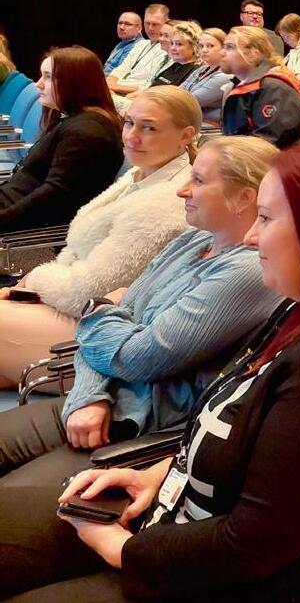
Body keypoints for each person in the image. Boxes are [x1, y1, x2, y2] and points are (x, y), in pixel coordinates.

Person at [0, 142, 300, 602]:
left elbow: (256, 545)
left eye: (266, 219)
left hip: (213, 575)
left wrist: (123, 550)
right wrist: (156, 476)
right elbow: (234, 431)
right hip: (171, 514)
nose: (251, 238)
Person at [0, 136, 282, 481]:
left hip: (142, 430)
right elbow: (112, 327)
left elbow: (136, 356)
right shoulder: (193, 239)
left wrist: (99, 309)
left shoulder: (247, 271)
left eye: (198, 180)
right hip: (101, 399)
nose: (182, 190)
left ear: (243, 198)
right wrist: (88, 395)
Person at [0, 87, 199, 386]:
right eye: (129, 123)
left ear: (186, 136)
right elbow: (77, 249)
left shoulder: (166, 201)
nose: (131, 136)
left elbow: (86, 292)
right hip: (67, 304)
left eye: (149, 128)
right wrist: (30, 289)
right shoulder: (139, 174)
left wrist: (36, 279)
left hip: (96, 333)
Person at [0, 47, 123, 232]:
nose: (38, 84)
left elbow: (53, 198)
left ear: (75, 82)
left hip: (19, 224)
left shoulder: (87, 133)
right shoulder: (75, 119)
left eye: (48, 77)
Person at [220, 26, 300, 148]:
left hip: (278, 158)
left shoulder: (274, 89)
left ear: (253, 54)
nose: (222, 52)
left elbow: (266, 145)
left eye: (230, 47)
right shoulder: (241, 84)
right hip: (244, 153)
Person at [106, 5, 170, 96]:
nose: (150, 28)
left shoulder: (169, 50)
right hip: (117, 89)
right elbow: (121, 69)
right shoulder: (140, 44)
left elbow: (150, 85)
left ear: (166, 23)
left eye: (155, 24)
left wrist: (114, 87)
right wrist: (109, 84)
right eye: (147, 23)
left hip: (137, 95)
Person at [179, 28, 233, 124]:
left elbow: (190, 102)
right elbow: (177, 91)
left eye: (210, 46)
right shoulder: (202, 69)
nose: (204, 50)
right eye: (201, 46)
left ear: (224, 48)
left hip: (209, 125)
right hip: (191, 121)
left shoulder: (225, 75)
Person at [145, 21, 201, 89]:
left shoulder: (196, 72)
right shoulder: (175, 66)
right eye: (172, 43)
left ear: (194, 46)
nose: (173, 48)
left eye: (179, 44)